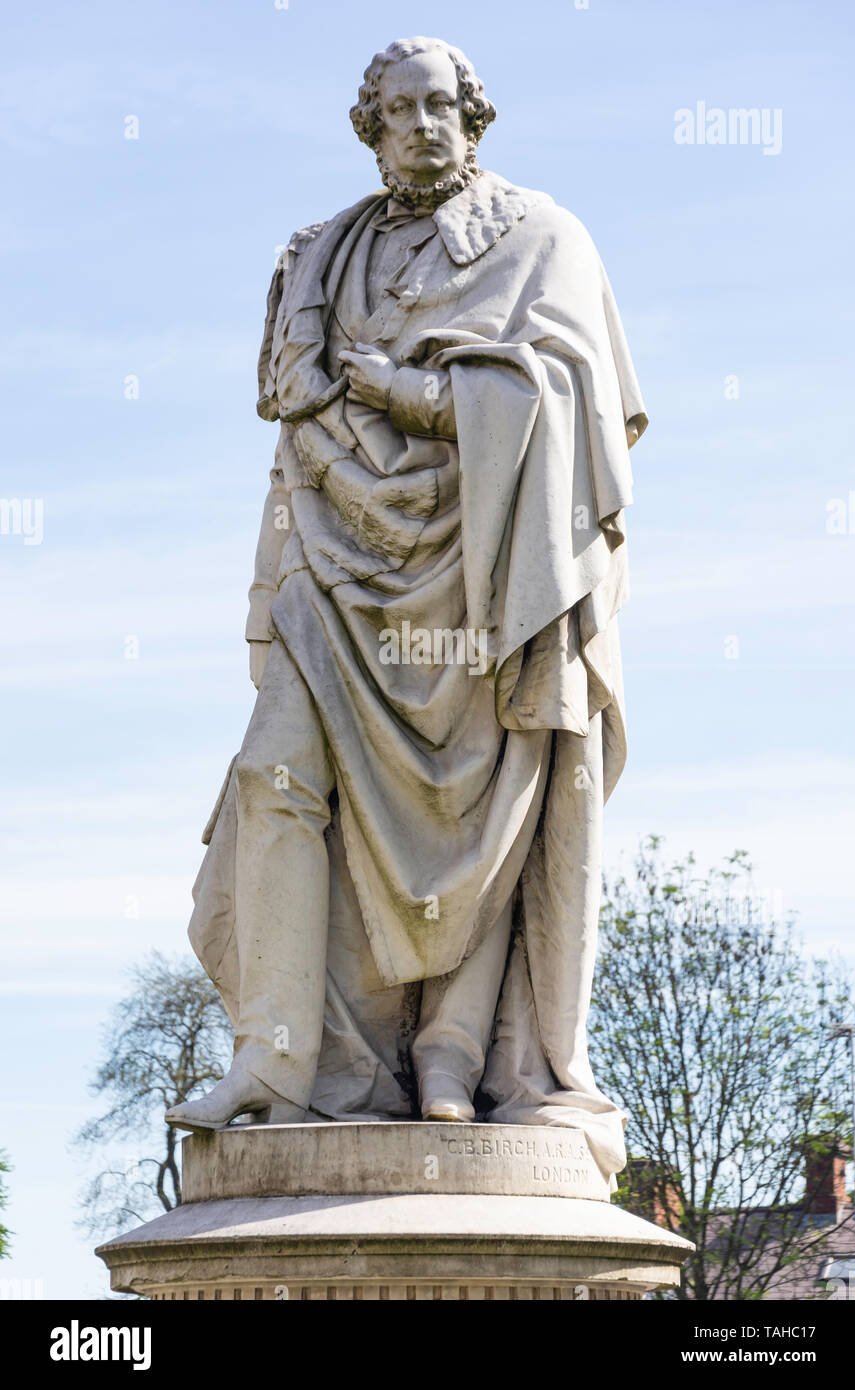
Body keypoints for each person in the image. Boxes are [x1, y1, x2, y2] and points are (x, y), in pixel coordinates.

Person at [167, 36, 647, 1189]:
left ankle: (452, 1049)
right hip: (335, 570)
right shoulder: (323, 253)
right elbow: (287, 403)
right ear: (369, 125)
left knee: (485, 814)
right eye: (398, 109)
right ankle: (278, 1058)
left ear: (473, 118)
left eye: (442, 106)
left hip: (488, 575)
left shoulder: (541, 238)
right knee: (271, 777)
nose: (423, 125)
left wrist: (412, 395)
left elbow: (578, 414)